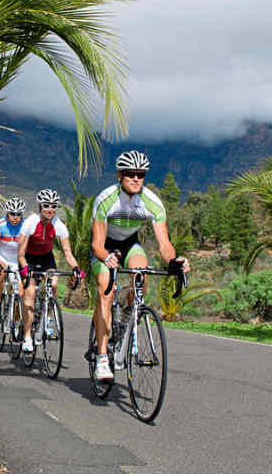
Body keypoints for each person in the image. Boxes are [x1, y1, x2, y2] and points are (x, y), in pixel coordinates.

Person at [90, 150, 190, 380]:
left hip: (130, 244)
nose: (136, 178)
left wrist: (174, 262)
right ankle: (103, 358)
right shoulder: (106, 199)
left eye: (141, 174)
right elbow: (97, 243)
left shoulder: (152, 202)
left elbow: (164, 244)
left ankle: (125, 316)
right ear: (119, 175)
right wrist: (105, 256)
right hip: (105, 246)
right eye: (130, 174)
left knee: (140, 282)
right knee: (105, 289)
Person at [17, 189, 81, 353]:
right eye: (46, 205)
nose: (50, 209)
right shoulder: (31, 222)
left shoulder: (59, 225)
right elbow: (20, 254)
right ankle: (27, 336)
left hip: (46, 258)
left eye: (53, 206)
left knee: (53, 284)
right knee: (30, 294)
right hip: (28, 259)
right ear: (40, 206)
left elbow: (68, 252)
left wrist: (76, 269)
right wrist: (25, 268)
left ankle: (48, 317)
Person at [0, 197, 26, 322]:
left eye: (18, 214)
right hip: (1, 256)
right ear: (7, 213)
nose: (15, 217)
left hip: (17, 259)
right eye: (12, 214)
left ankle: (15, 323)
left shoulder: (26, 226)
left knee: (20, 293)